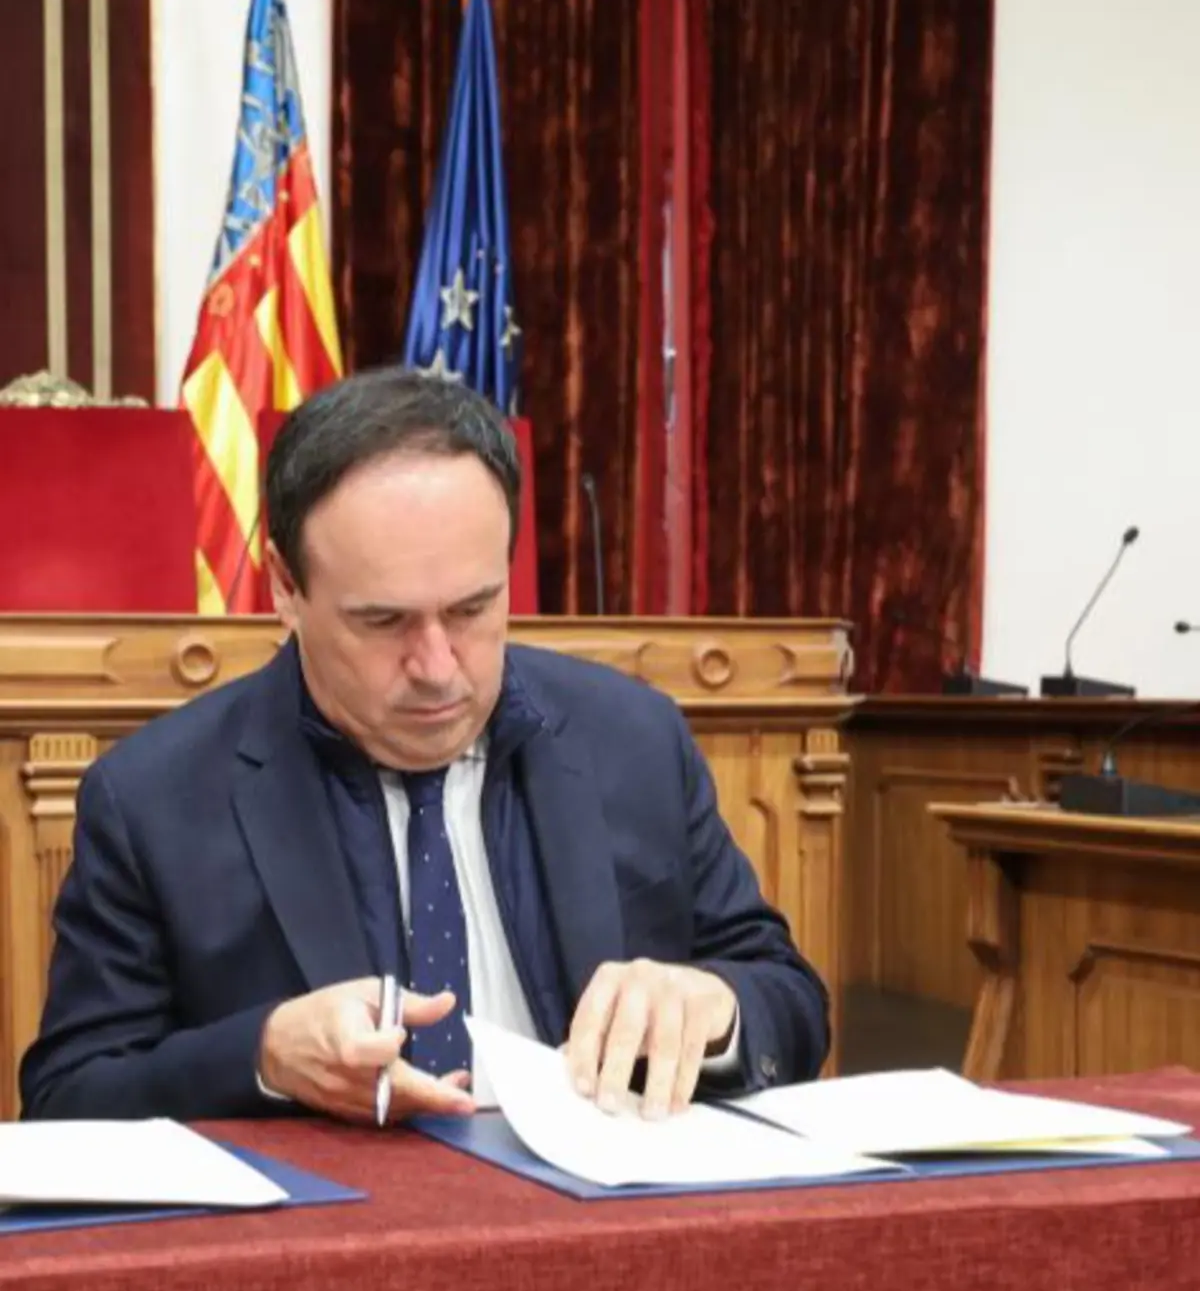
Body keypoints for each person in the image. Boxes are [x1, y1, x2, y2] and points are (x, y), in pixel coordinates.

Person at [20, 369, 828, 1124]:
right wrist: (261, 1058)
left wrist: (713, 1010)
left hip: (608, 1210)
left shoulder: (633, 739)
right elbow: (68, 1099)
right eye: (384, 622)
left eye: (472, 610)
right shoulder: (155, 799)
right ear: (285, 588)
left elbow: (788, 999)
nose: (438, 668)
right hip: (337, 1222)